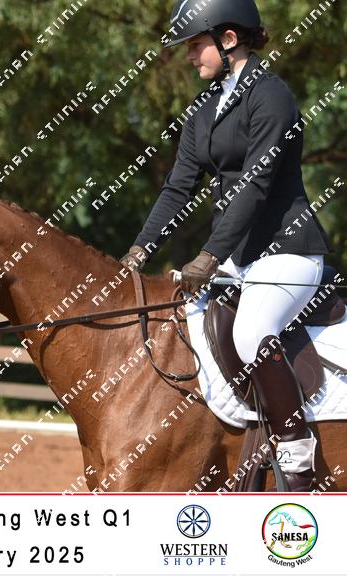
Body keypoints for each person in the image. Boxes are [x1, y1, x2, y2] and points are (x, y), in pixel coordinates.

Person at [120, 0, 334, 491]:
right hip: (238, 259)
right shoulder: (204, 110)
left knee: (252, 330)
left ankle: (296, 445)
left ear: (229, 39)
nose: (189, 55)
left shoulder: (272, 96)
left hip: (288, 252)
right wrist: (137, 252)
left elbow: (255, 185)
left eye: (196, 44)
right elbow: (178, 187)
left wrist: (209, 256)